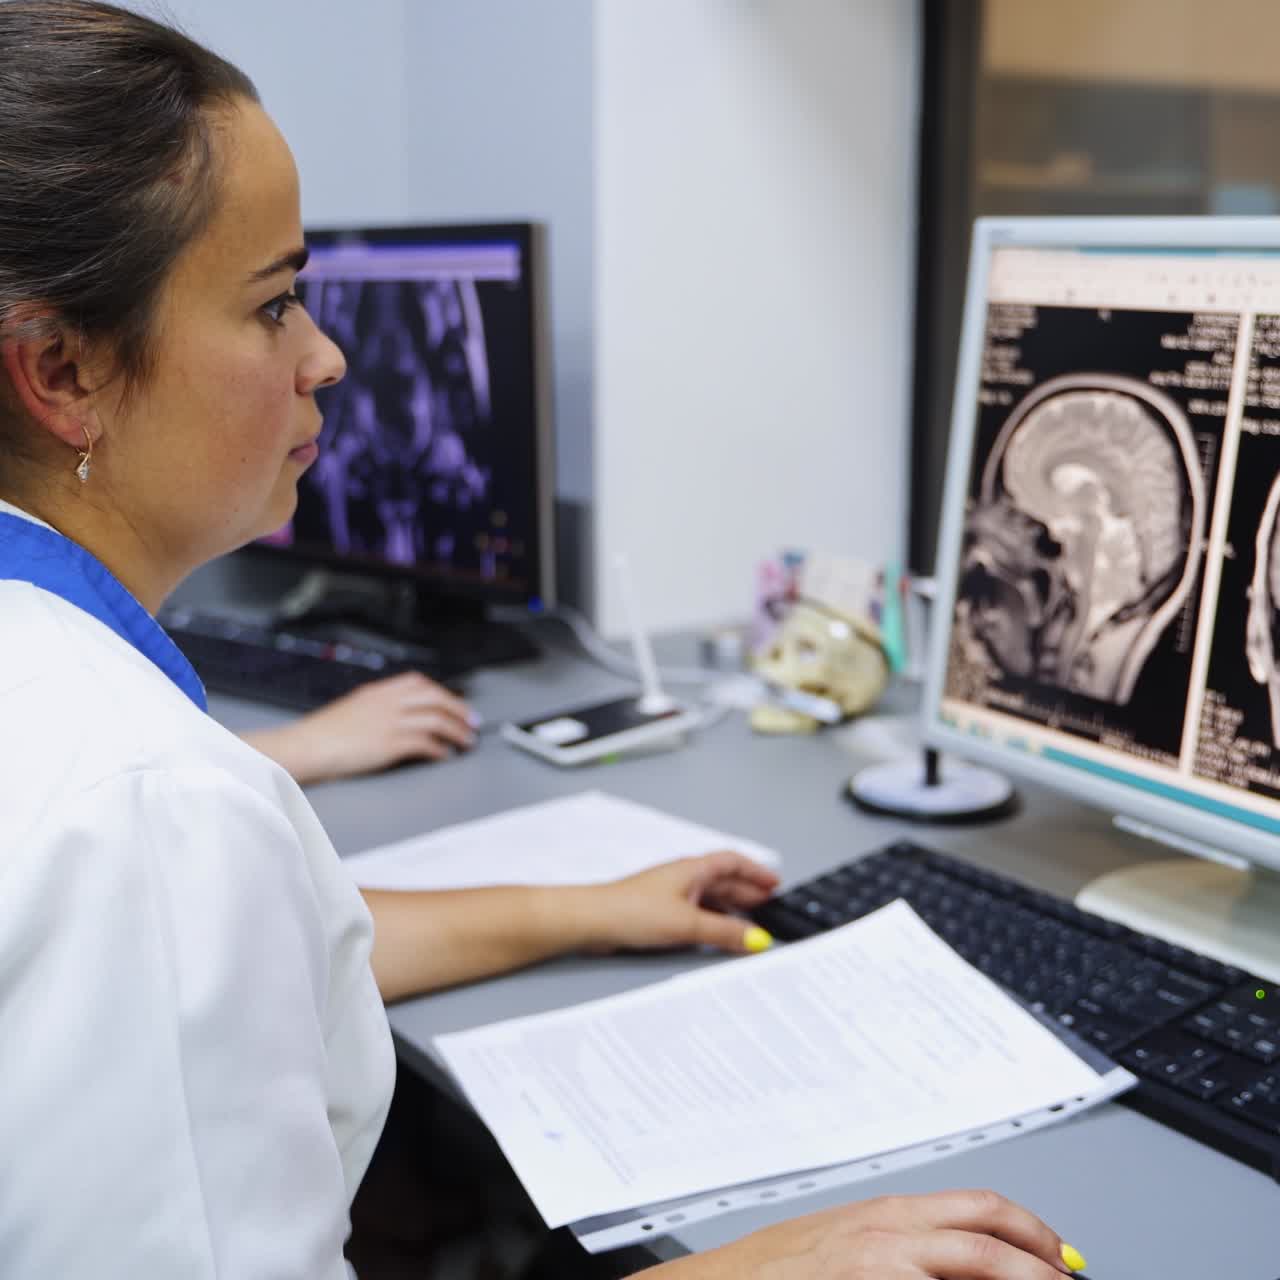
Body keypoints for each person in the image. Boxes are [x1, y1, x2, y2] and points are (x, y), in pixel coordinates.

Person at [0, 4, 1087, 1277]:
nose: (328, 355)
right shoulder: (150, 807)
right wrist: (737, 1269)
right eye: (276, 303)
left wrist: (579, 908)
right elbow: (166, 900)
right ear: (63, 369)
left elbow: (246, 955)